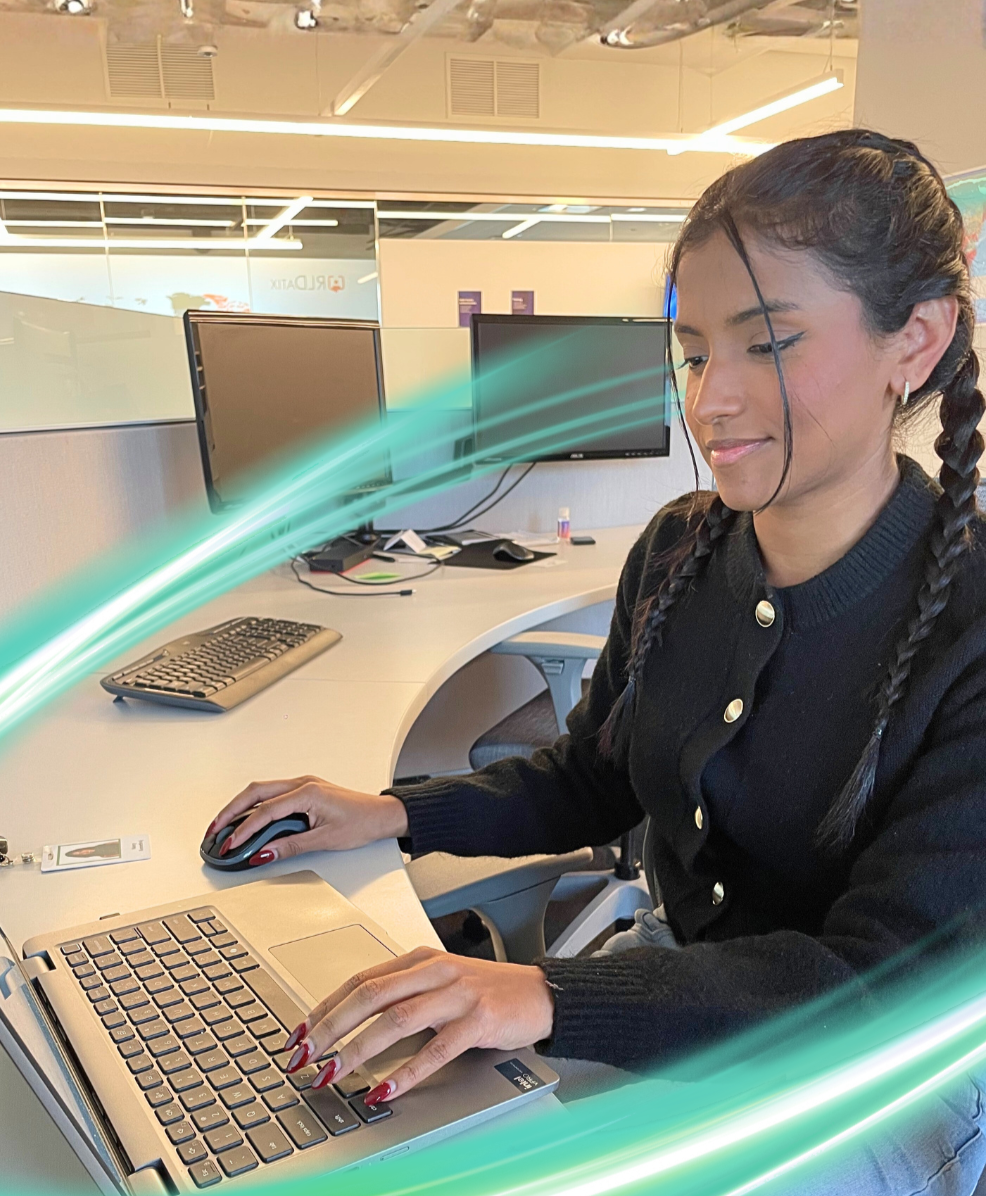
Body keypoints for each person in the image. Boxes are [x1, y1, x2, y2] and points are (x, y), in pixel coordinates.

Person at [208, 130, 986, 1193]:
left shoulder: (973, 624)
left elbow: (875, 982)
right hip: (679, 987)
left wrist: (548, 994)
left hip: (876, 1071)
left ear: (918, 340)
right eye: (697, 349)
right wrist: (394, 814)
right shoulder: (682, 548)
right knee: (414, 1136)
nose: (711, 400)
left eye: (770, 344)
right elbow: (596, 776)